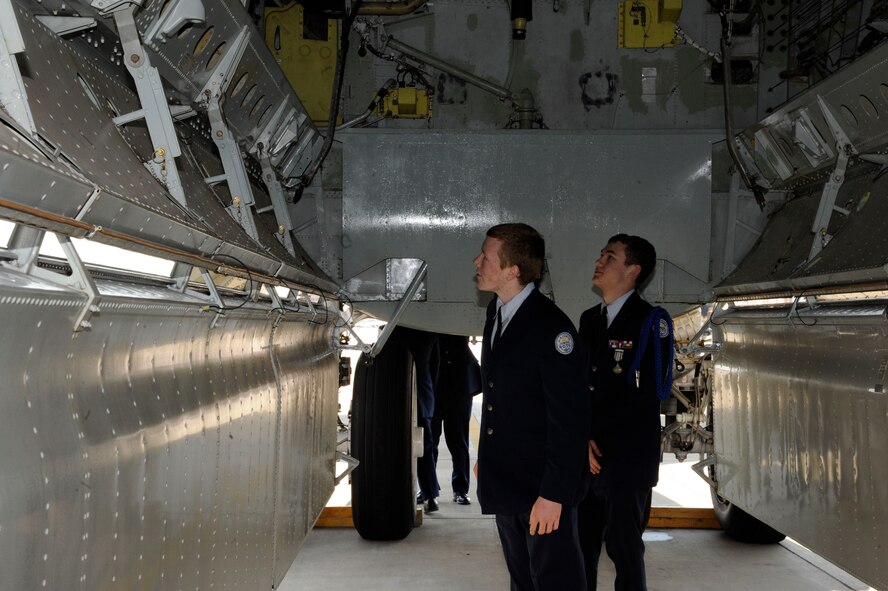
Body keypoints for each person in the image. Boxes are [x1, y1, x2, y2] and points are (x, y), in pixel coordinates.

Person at [473, 222, 590, 590]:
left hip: (542, 489)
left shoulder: (552, 330)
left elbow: (569, 421)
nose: (477, 261)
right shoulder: (498, 313)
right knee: (522, 581)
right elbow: (502, 399)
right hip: (509, 483)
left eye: (487, 256)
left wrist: (554, 495)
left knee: (555, 582)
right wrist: (488, 457)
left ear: (513, 270)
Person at [577, 234, 673, 591]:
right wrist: (582, 438)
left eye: (610, 257)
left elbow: (648, 397)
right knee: (582, 548)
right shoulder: (590, 320)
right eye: (601, 254)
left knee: (625, 550)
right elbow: (580, 386)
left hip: (626, 460)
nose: (600, 261)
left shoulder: (651, 322)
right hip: (587, 457)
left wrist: (595, 437)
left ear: (633, 270)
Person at [393, 326, 442, 513]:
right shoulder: (429, 333)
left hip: (396, 395)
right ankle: (430, 497)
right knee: (425, 447)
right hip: (423, 394)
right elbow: (435, 366)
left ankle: (398, 493)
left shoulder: (391, 330)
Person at [431, 334, 482, 505]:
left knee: (459, 442)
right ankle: (429, 489)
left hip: (458, 387)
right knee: (429, 442)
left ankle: (460, 489)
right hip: (434, 387)